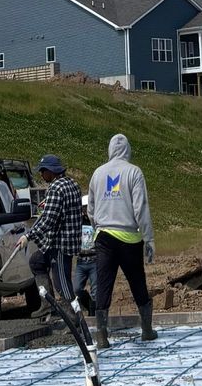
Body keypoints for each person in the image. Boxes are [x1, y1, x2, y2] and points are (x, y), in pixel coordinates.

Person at [88, 133, 157, 347]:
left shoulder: (98, 174)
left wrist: (98, 227)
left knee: (104, 284)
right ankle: (146, 330)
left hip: (104, 237)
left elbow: (90, 209)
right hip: (129, 238)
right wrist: (149, 239)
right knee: (137, 283)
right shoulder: (134, 172)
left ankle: (101, 335)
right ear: (128, 150)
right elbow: (141, 208)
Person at [25, 154, 83, 310]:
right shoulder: (72, 184)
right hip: (69, 240)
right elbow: (63, 207)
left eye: (43, 171)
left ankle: (75, 316)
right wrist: (49, 203)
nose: (42, 175)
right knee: (36, 261)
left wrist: (28, 236)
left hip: (60, 244)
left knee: (62, 284)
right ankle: (48, 304)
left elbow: (49, 220)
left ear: (51, 171)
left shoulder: (56, 188)